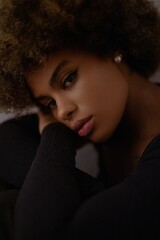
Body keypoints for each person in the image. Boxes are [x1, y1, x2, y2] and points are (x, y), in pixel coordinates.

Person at [0, 0, 160, 239]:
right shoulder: (109, 123)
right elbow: (4, 141)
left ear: (110, 46)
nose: (62, 112)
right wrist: (54, 131)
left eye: (68, 79)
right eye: (49, 104)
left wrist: (68, 194)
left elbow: (41, 231)